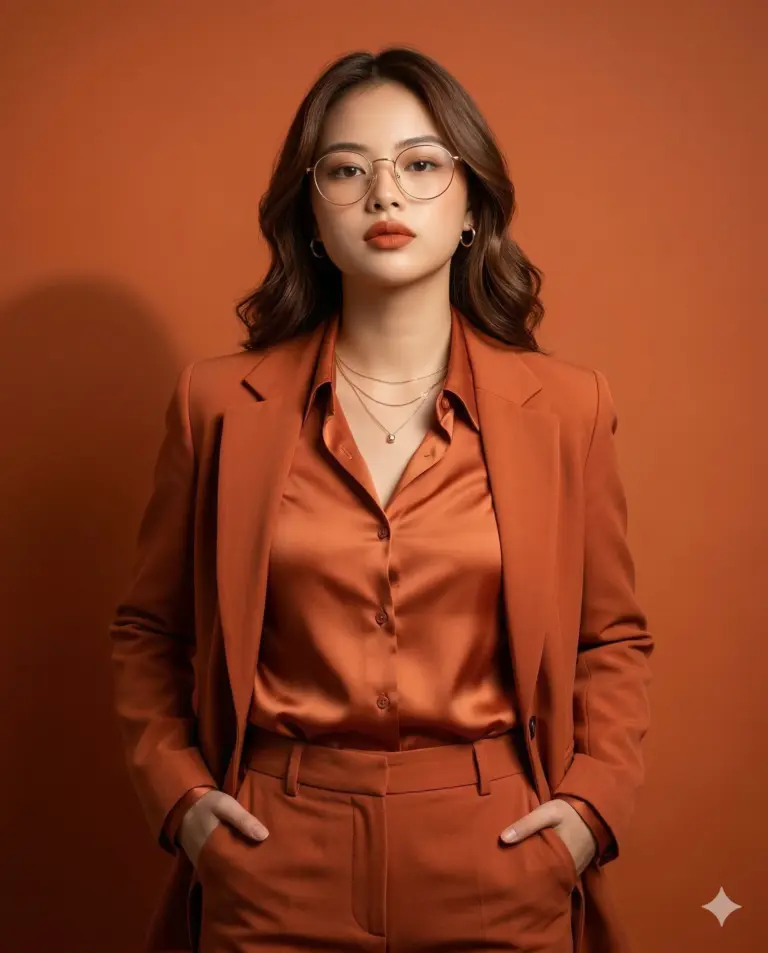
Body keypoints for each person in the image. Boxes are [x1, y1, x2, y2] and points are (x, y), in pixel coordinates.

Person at [109, 46, 653, 953]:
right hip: (274, 850)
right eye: (348, 168)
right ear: (311, 212)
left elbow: (611, 635)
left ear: (472, 202)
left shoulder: (566, 407)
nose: (384, 195)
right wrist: (184, 802)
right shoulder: (216, 404)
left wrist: (590, 810)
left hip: (497, 851)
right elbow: (149, 630)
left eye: (421, 164)